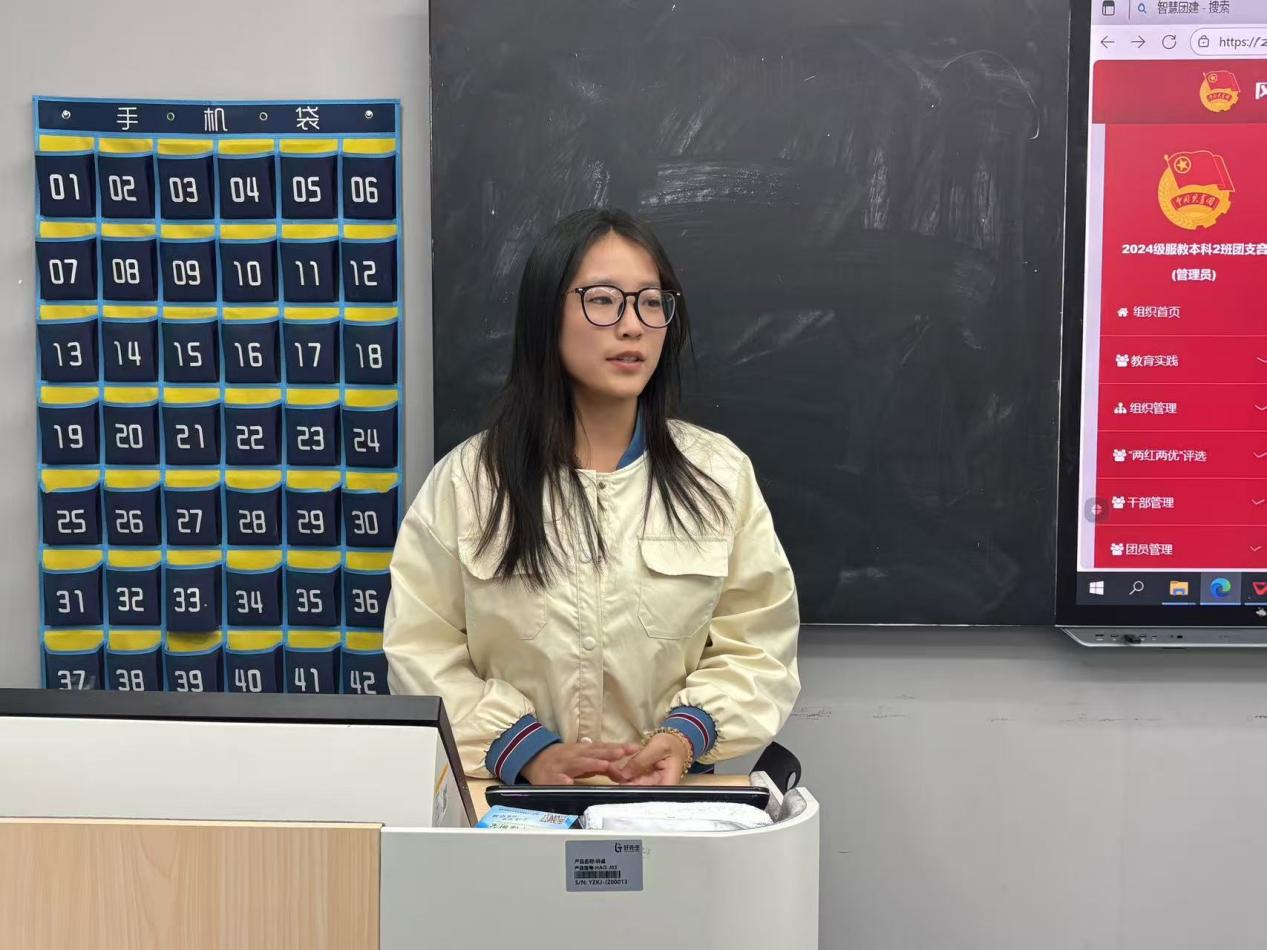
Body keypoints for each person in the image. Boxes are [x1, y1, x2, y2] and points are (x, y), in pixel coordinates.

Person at [384, 208, 800, 786]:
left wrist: (686, 735)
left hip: (669, 804)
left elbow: (758, 643)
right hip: (513, 805)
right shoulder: (470, 482)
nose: (632, 326)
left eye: (650, 302)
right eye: (603, 300)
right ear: (546, 315)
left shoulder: (717, 476)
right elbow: (420, 647)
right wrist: (526, 751)